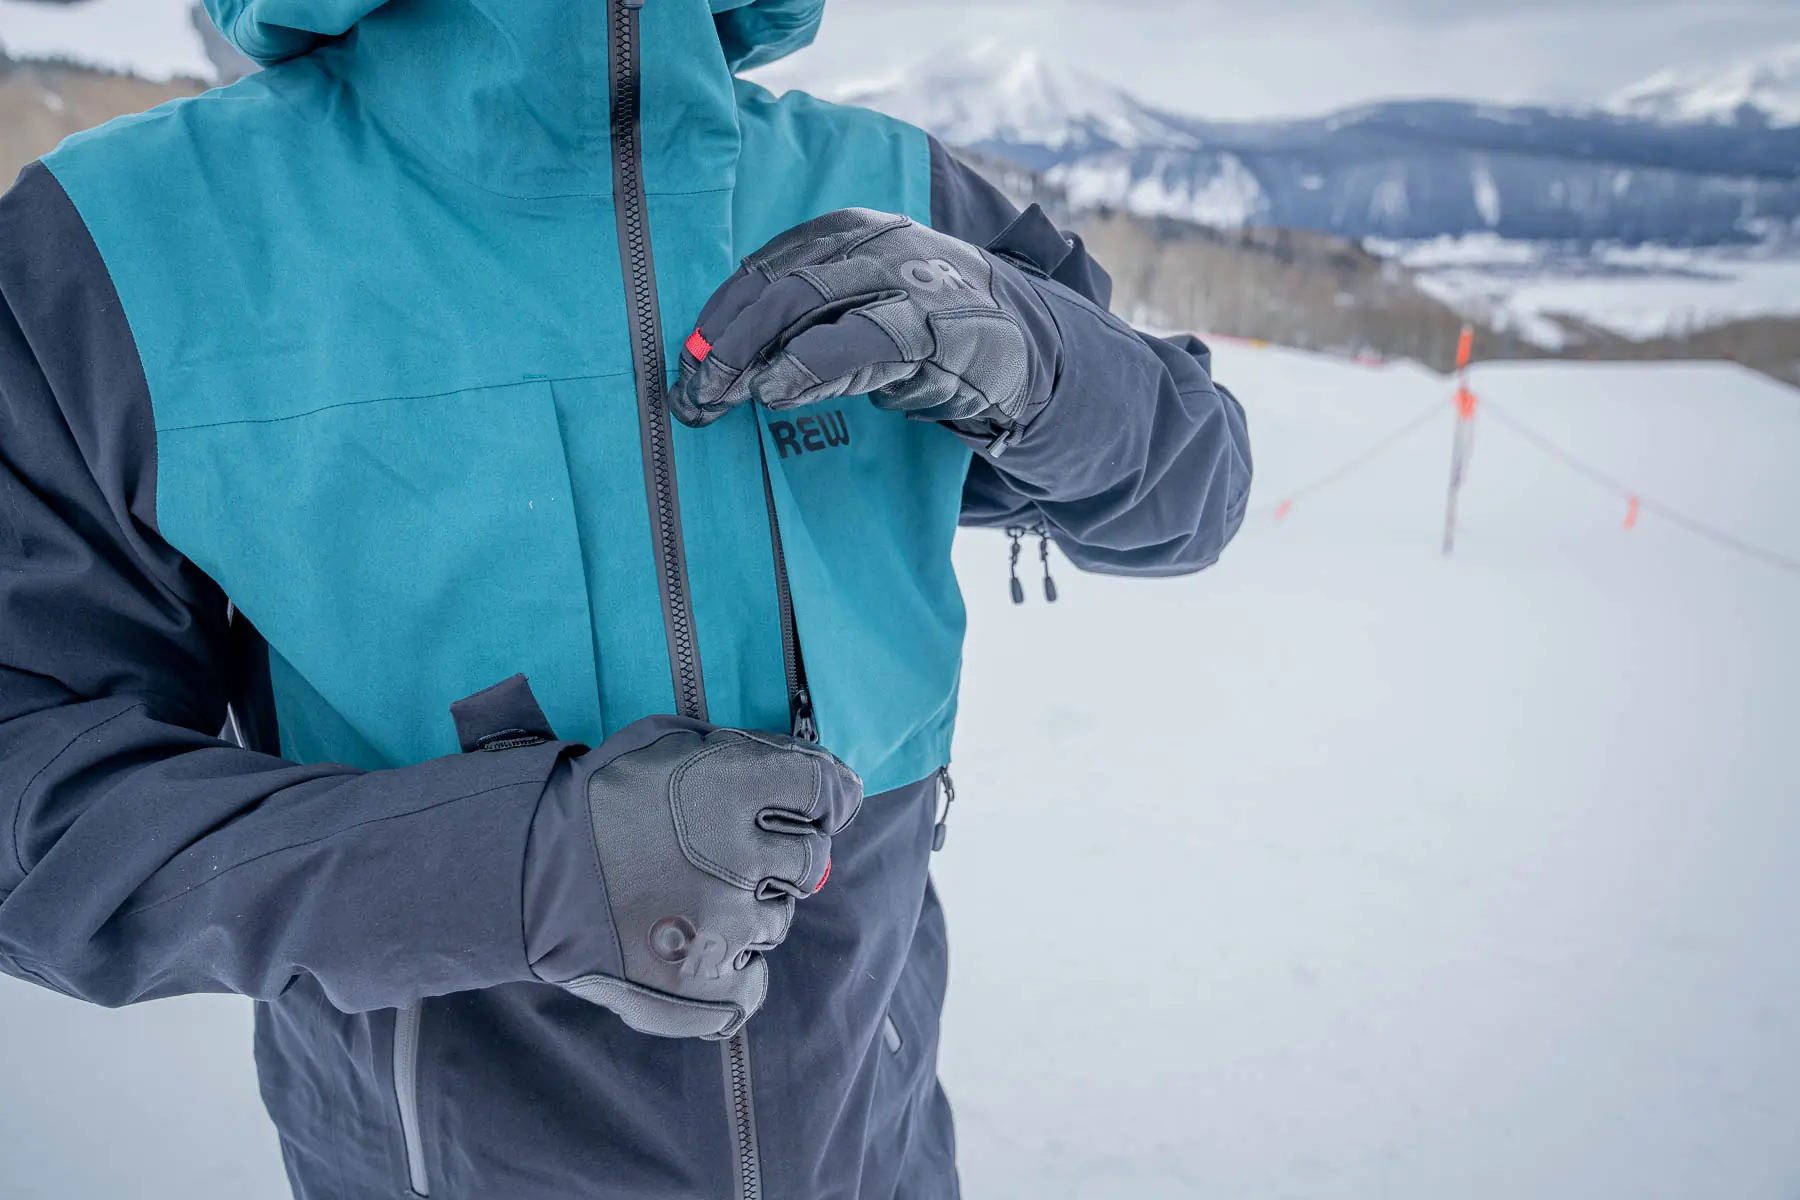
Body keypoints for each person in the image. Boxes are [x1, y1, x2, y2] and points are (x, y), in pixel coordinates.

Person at [0, 0, 1250, 1195]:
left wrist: (1033, 354)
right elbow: (34, 805)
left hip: (880, 1159)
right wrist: (519, 869)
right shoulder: (123, 249)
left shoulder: (893, 188)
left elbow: (1192, 492)